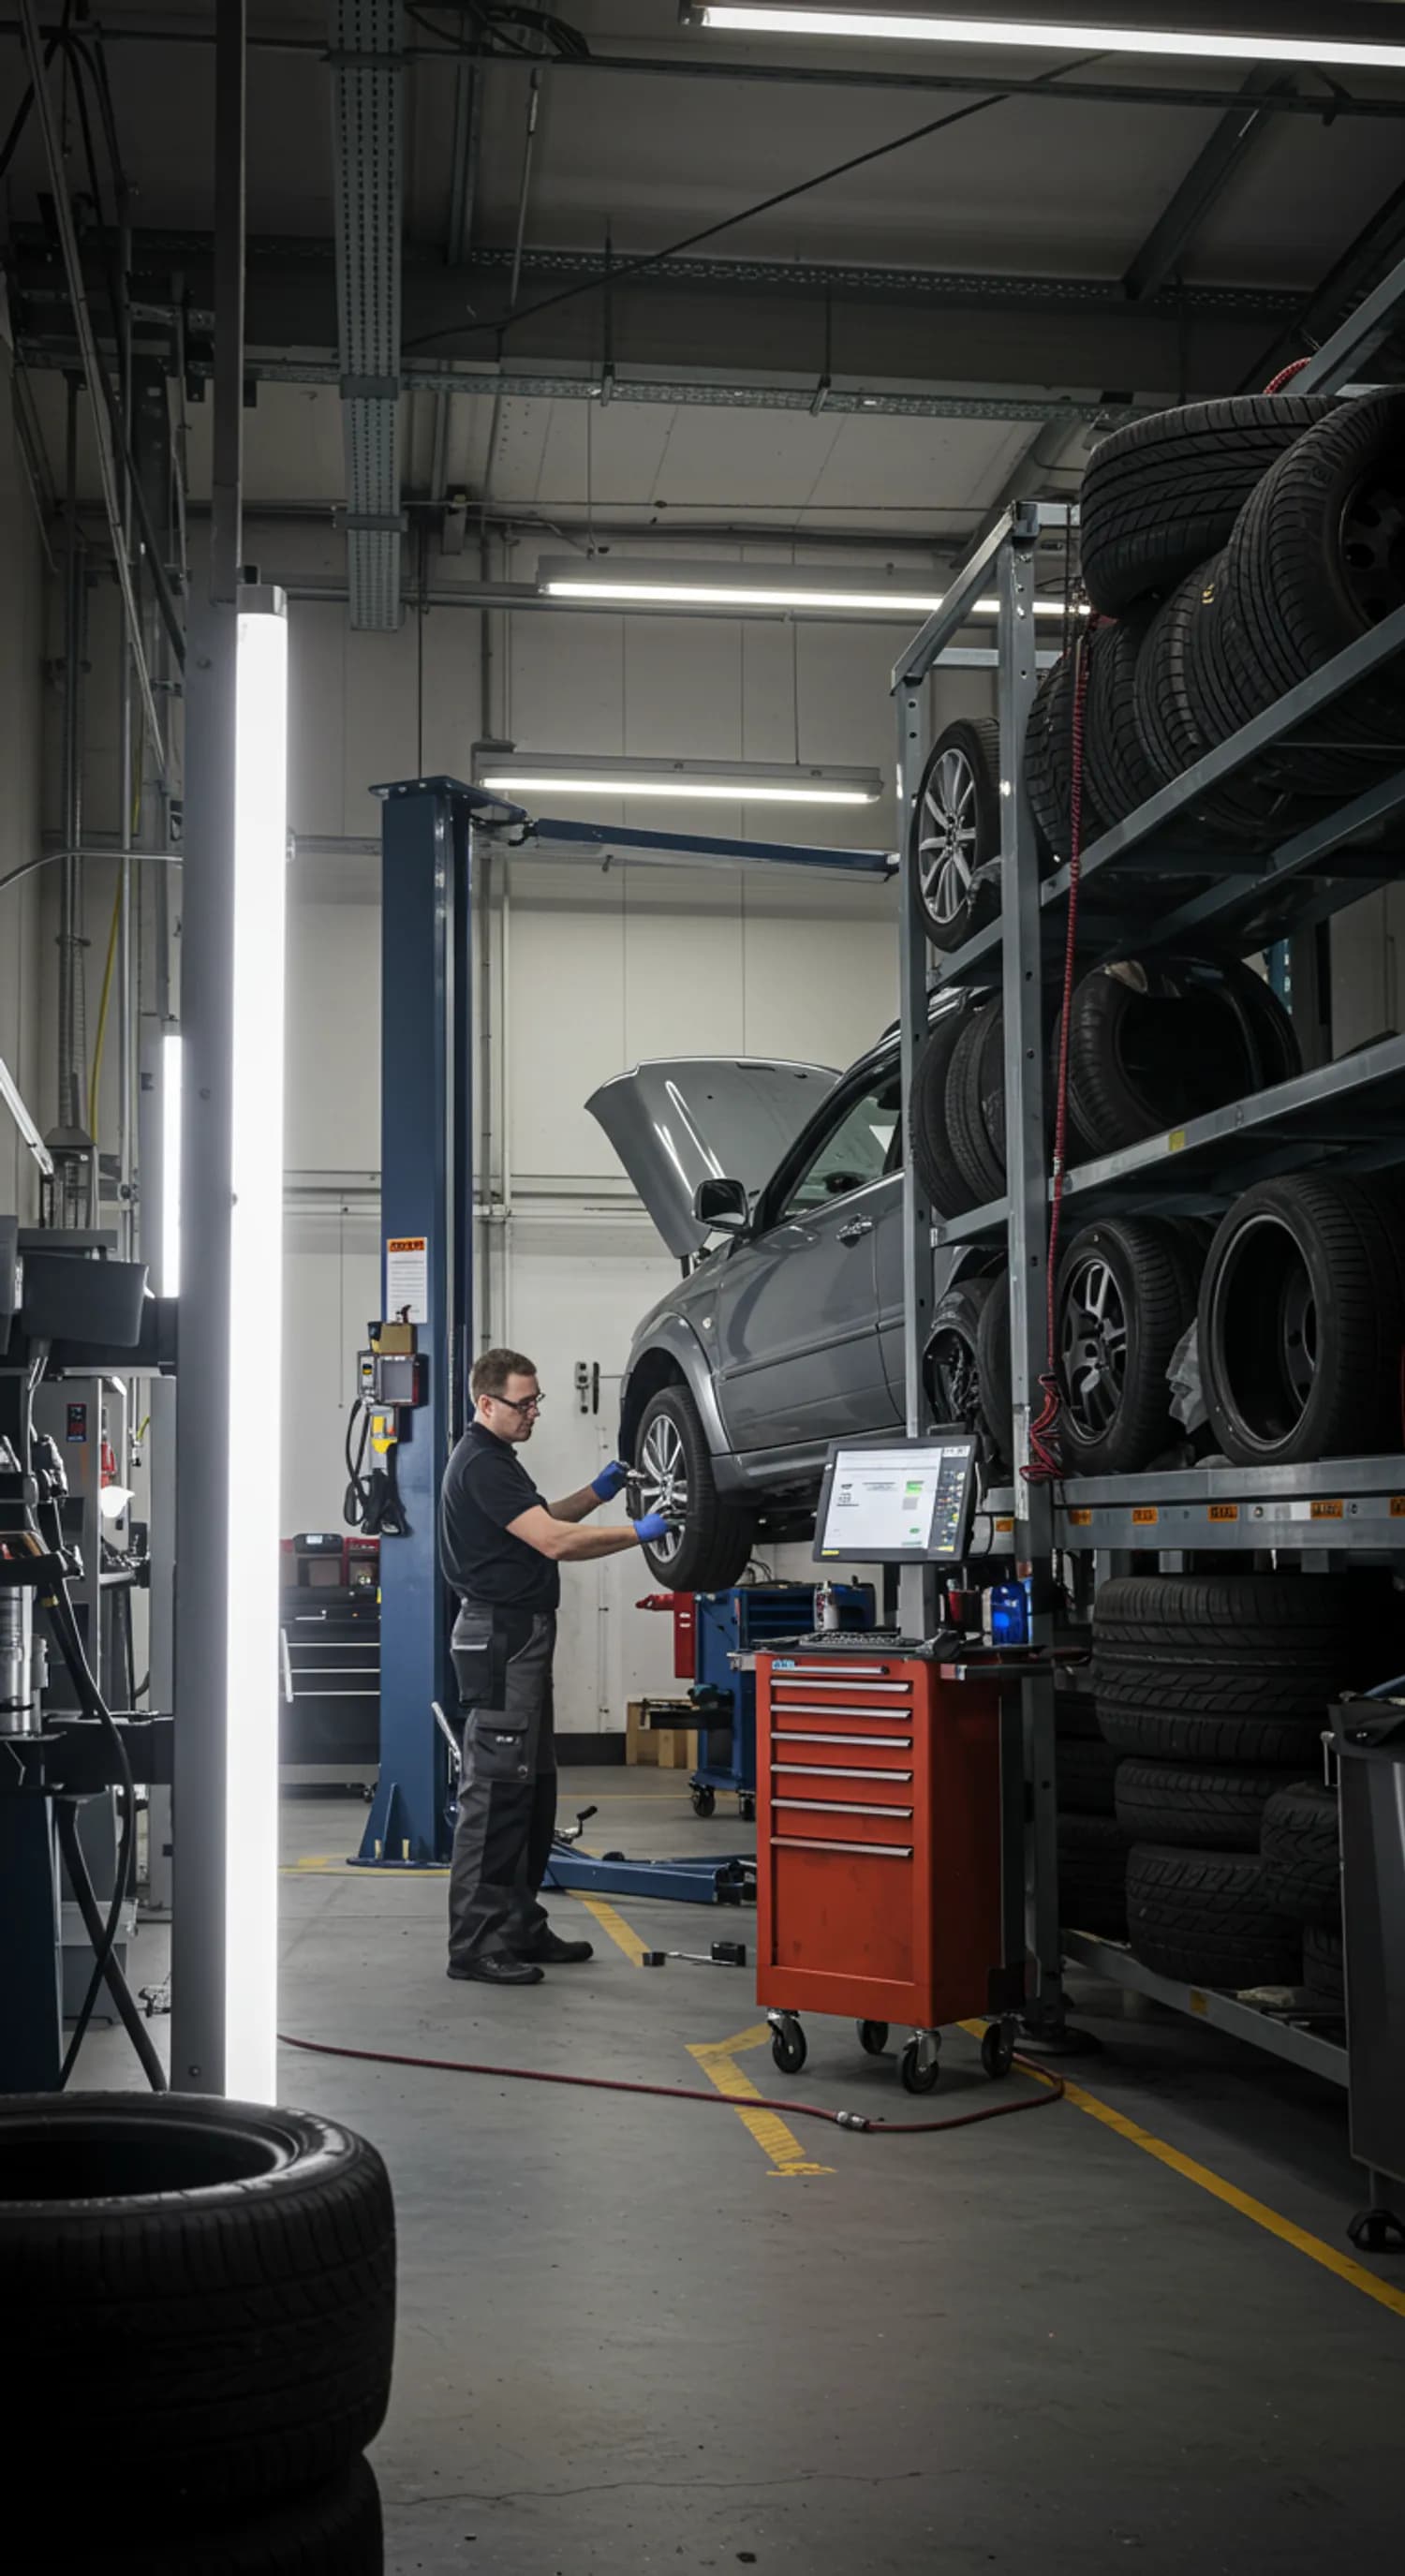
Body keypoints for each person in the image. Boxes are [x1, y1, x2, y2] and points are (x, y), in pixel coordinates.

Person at [440, 1346, 676, 1987]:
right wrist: (642, 1532)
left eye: (537, 1400)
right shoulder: (481, 1466)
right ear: (486, 1403)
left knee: (533, 1790)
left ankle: (519, 1925)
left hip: (520, 1637)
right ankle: (476, 1944)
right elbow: (554, 1543)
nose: (535, 1412)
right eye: (524, 1402)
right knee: (496, 1795)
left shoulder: (499, 1463)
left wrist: (598, 1494)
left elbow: (545, 1521)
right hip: (500, 1637)